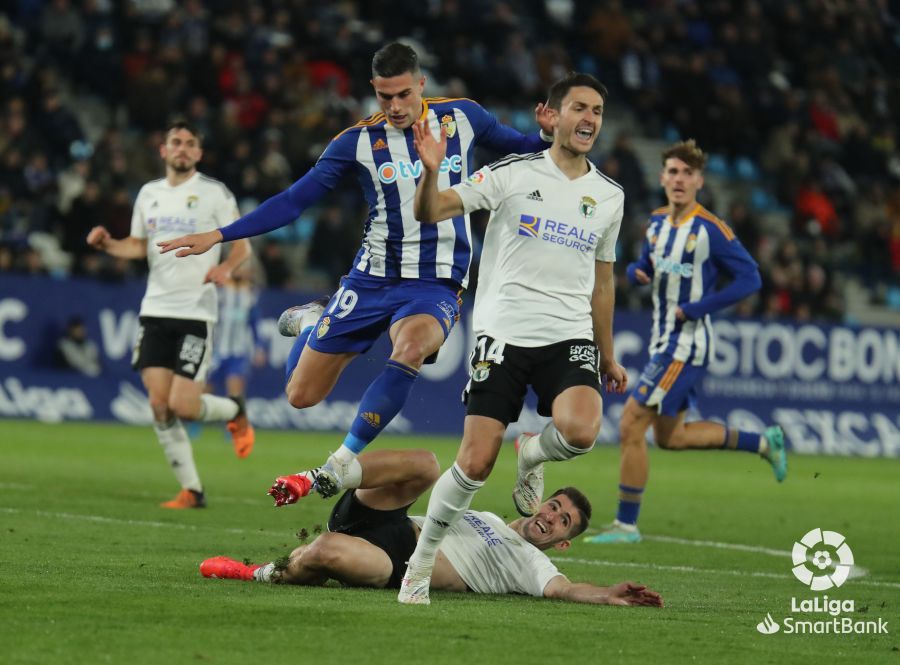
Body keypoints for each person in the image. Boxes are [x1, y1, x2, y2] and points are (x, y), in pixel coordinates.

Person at [157, 43, 555, 500]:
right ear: (374, 91)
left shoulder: (462, 117)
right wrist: (220, 234)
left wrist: (544, 138)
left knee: (412, 346)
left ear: (421, 84)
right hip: (370, 281)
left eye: (404, 94)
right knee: (301, 396)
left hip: (435, 282)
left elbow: (523, 150)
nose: (396, 106)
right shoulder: (356, 142)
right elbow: (294, 200)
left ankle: (342, 459)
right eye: (385, 97)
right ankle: (311, 321)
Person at [364, 71, 626, 605]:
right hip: (504, 333)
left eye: (597, 111)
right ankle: (420, 563)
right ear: (551, 116)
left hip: (568, 333)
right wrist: (432, 171)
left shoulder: (609, 196)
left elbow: (603, 281)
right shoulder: (511, 173)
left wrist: (607, 351)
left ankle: (532, 451)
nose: (589, 120)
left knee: (581, 430)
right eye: (579, 108)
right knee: (476, 462)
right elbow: (431, 210)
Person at [585, 140, 787, 545]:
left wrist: (699, 308)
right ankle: (763, 442)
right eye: (672, 172)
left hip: (687, 343)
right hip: (662, 340)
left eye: (687, 174)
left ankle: (626, 525)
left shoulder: (711, 230)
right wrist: (639, 270)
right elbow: (646, 262)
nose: (679, 180)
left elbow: (751, 278)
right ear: (662, 178)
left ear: (699, 180)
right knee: (669, 438)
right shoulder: (657, 223)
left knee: (630, 423)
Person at [200, 449, 663, 608]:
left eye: (563, 523)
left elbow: (564, 590)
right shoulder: (487, 518)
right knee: (427, 464)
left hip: (395, 565)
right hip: (389, 520)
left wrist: (606, 594)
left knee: (324, 552)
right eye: (555, 505)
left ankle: (257, 572)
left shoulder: (531, 562)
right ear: (542, 498)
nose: (551, 516)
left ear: (561, 542)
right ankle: (319, 476)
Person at [86, 120, 254, 509]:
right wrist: (108, 244)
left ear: (198, 153)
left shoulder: (214, 193)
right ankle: (192, 490)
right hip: (154, 310)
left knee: (183, 406)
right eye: (175, 142)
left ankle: (234, 409)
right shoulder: (148, 194)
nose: (181, 148)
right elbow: (137, 247)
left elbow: (242, 246)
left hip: (196, 313)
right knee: (159, 406)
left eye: (189, 143)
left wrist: (226, 269)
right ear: (163, 150)